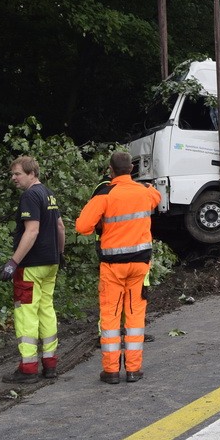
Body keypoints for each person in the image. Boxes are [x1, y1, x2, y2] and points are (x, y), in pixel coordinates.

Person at [75, 152, 161, 384]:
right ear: (132, 169)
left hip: (113, 267)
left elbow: (82, 226)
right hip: (139, 265)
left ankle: (111, 371)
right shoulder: (145, 193)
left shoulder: (105, 195)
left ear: (110, 171)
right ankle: (134, 369)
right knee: (134, 316)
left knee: (111, 317)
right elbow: (156, 197)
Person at [0, 156, 66, 384]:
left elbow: (32, 231)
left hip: (31, 265)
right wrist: (60, 253)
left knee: (27, 312)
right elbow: (59, 226)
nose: (13, 178)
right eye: (13, 174)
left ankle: (28, 367)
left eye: (17, 174)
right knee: (46, 309)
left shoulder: (29, 196)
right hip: (51, 263)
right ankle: (50, 362)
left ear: (31, 173)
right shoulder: (48, 193)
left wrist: (13, 262)